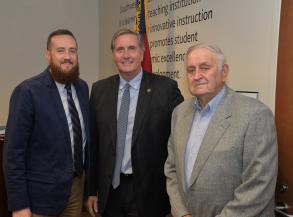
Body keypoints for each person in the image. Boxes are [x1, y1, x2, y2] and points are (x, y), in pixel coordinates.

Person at [164, 43, 278, 217]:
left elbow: (258, 185)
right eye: (190, 70)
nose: (196, 76)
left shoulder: (255, 115)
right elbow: (171, 169)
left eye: (204, 68)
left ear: (223, 72)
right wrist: (181, 213)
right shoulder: (180, 113)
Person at [86, 28, 184, 217]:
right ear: (113, 55)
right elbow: (93, 146)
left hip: (150, 193)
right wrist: (91, 190)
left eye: (131, 48)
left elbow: (182, 133)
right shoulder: (99, 90)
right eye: (120, 49)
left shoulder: (165, 89)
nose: (126, 55)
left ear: (142, 53)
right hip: (110, 191)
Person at [3, 29, 90, 217]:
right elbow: (13, 154)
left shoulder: (82, 88)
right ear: (48, 55)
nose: (67, 56)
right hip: (40, 198)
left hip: (75, 190)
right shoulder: (28, 92)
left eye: (72, 51)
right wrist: (19, 205)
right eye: (60, 51)